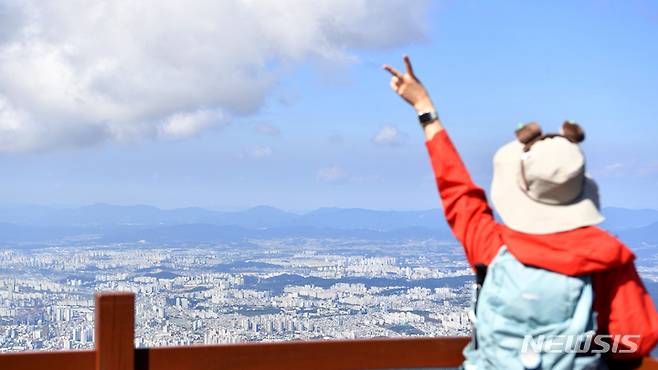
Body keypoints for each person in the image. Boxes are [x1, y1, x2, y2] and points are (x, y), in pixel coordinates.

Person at [384, 56, 658, 369]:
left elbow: (457, 191)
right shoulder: (607, 260)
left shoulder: (492, 245)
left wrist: (424, 108)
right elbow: (638, 337)